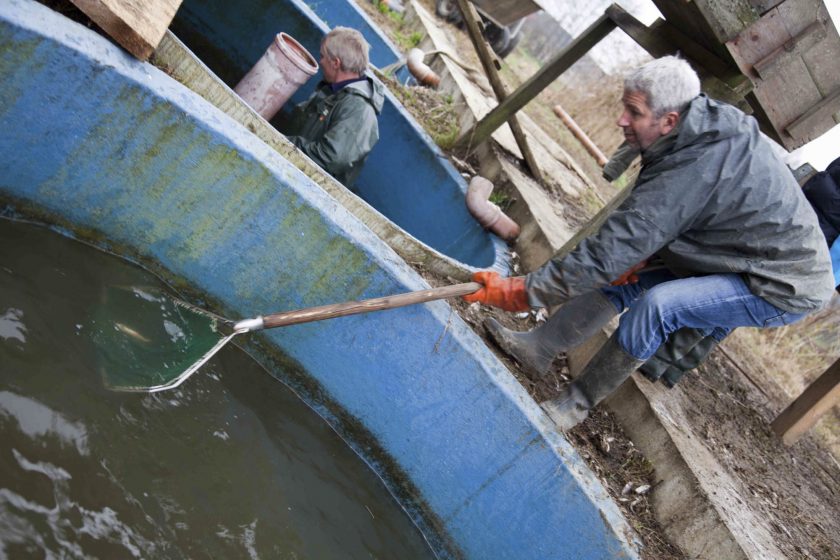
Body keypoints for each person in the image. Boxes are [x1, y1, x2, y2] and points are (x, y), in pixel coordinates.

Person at [464, 56, 835, 430]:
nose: (621, 120)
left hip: (783, 283)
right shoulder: (692, 124)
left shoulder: (696, 165)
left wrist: (523, 292)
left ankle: (575, 404)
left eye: (634, 113)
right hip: (735, 249)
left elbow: (611, 250)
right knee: (623, 271)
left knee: (659, 306)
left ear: (669, 120)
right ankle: (538, 348)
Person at [284, 27, 385, 190]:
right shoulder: (334, 89)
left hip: (309, 188)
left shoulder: (359, 110)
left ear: (336, 63)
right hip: (293, 173)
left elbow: (331, 158)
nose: (321, 61)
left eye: (323, 56)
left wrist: (282, 143)